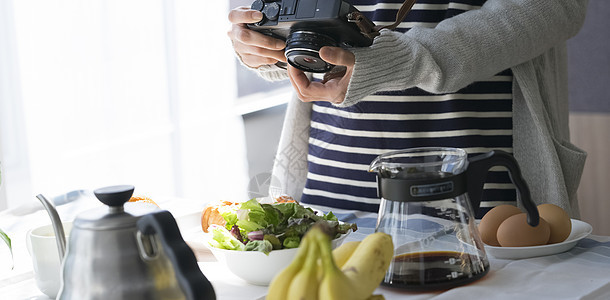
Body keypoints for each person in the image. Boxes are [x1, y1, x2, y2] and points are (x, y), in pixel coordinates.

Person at [228, 0, 589, 219]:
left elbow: (556, 9)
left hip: (483, 192)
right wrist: (265, 50)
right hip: (331, 189)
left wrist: (408, 59)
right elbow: (294, 18)